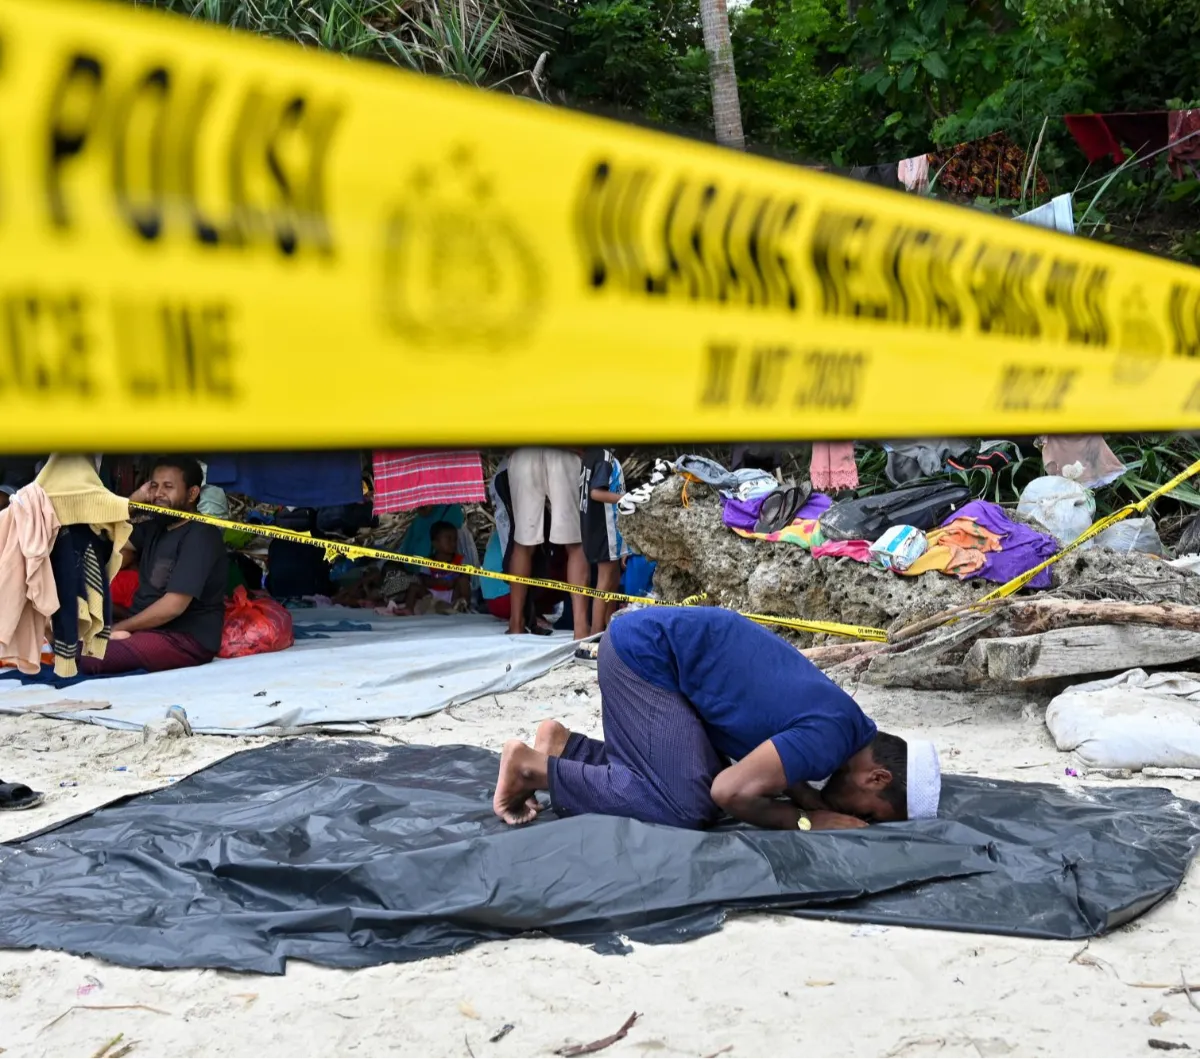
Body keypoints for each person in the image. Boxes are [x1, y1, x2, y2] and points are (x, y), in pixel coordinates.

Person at [492, 607, 941, 830]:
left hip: (657, 655)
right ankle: (531, 768)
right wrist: (805, 821)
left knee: (693, 781)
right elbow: (729, 792)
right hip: (644, 656)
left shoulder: (844, 728)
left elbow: (779, 764)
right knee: (688, 807)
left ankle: (566, 748)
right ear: (878, 778)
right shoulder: (831, 736)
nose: (855, 816)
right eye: (868, 814)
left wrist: (807, 800)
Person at [80, 456, 228, 675]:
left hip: (182, 637)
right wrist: (136, 498)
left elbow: (173, 607)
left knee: (89, 657)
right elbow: (101, 530)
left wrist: (118, 628)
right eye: (154, 486)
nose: (159, 493)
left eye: (168, 487)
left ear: (192, 493)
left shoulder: (201, 535)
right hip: (143, 626)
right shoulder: (155, 528)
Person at [506, 448, 589, 638]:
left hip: (524, 449)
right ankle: (581, 629)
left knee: (523, 543)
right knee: (576, 543)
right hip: (563, 448)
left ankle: (516, 623)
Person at [579, 447, 630, 636]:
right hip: (605, 529)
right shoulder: (604, 458)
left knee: (612, 580)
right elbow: (596, 493)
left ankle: (609, 628)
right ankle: (595, 634)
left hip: (597, 528)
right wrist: (626, 498)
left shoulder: (590, 455)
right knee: (605, 582)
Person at [405, 520, 470, 614]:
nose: (453, 543)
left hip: (452, 595)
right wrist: (437, 582)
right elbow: (423, 579)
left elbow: (466, 577)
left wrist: (454, 582)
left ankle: (463, 605)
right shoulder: (428, 561)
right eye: (449, 539)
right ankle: (408, 609)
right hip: (431, 596)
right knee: (413, 587)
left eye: (455, 539)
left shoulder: (461, 560)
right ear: (435, 544)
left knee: (463, 581)